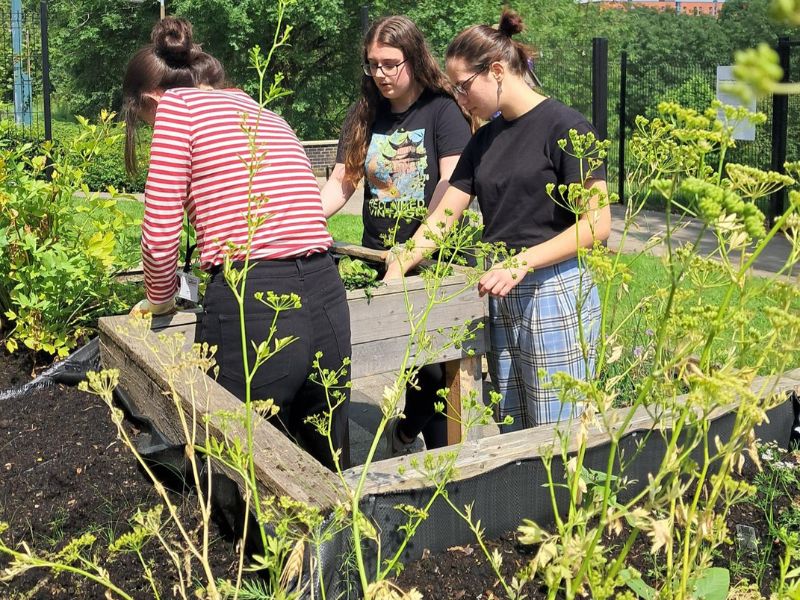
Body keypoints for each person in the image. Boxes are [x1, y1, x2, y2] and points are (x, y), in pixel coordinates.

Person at [122, 17, 351, 470]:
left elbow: (160, 231)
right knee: (328, 456)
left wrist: (161, 298)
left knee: (242, 461)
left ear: (150, 100)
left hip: (255, 293)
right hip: (326, 288)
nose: (151, 128)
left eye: (143, 121)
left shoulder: (175, 109)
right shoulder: (265, 114)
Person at [384, 9, 611, 432]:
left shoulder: (567, 126)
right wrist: (402, 260)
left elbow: (596, 225)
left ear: (496, 70)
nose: (460, 98)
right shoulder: (485, 139)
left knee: (557, 430)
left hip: (554, 289)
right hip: (503, 290)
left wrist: (522, 261)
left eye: (464, 87)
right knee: (511, 425)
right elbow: (444, 216)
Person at [320, 15, 472, 455]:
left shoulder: (443, 111)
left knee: (433, 373)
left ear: (414, 58)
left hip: (432, 259)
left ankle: (413, 440)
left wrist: (422, 241)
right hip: (376, 257)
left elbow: (451, 185)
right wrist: (302, 216)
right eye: (373, 65)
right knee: (386, 356)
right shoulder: (366, 113)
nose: (381, 74)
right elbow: (342, 182)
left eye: (390, 63)